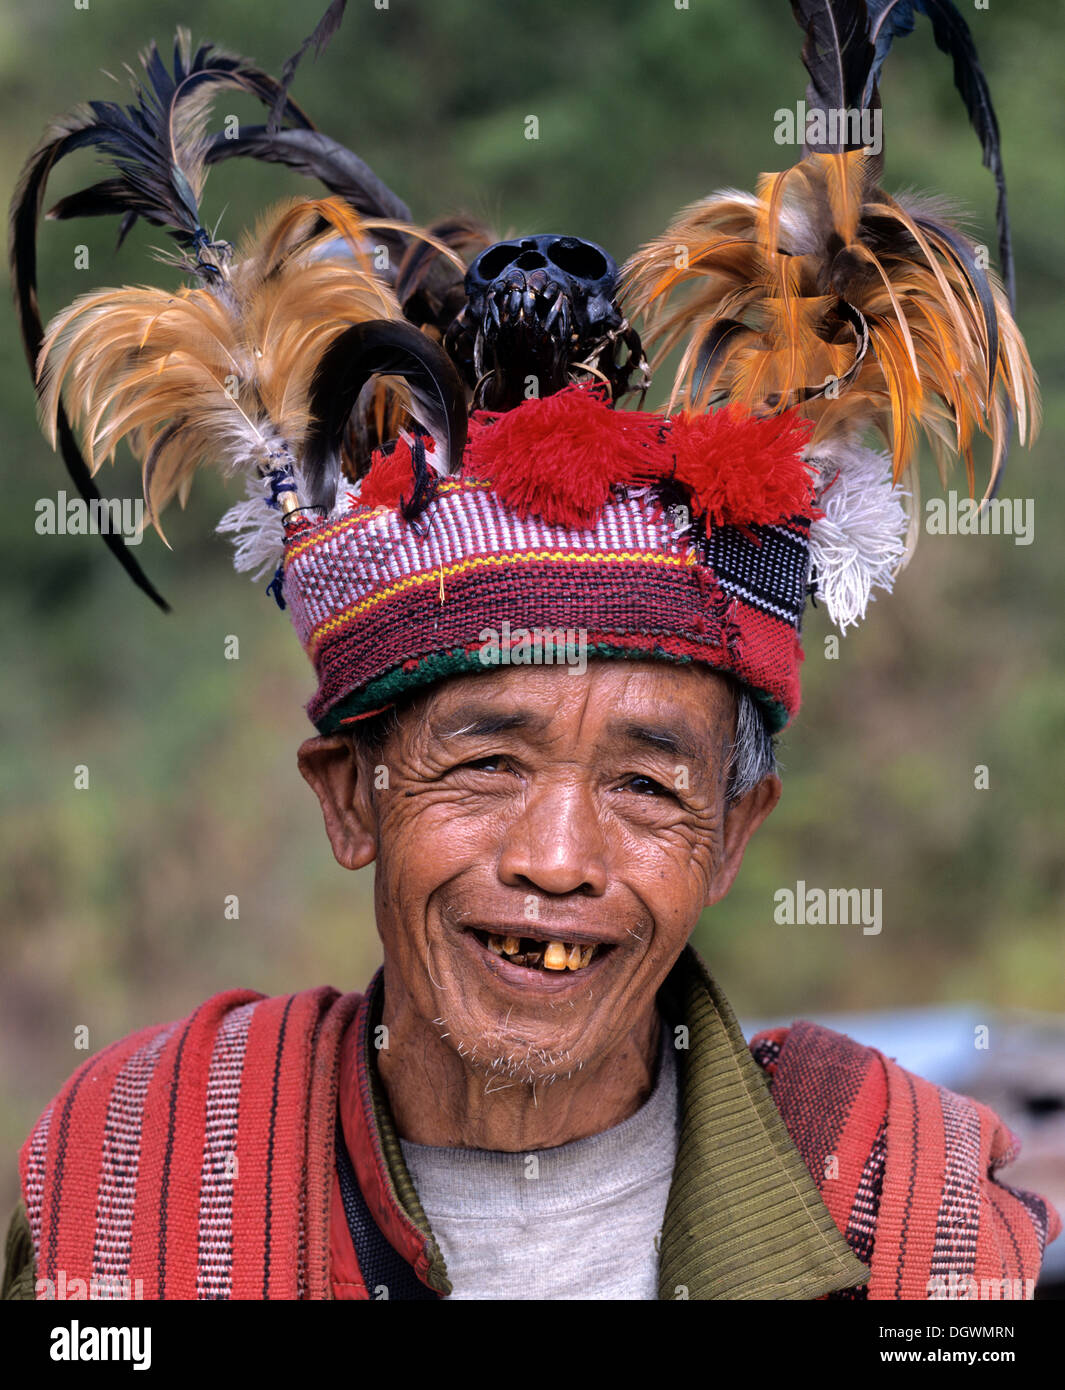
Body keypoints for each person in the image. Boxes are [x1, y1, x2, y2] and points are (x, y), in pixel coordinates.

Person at [3, 3, 1058, 1301]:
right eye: (485, 761)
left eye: (646, 782)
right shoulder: (140, 1186)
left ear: (730, 836)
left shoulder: (914, 1222)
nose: (556, 859)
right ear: (349, 795)